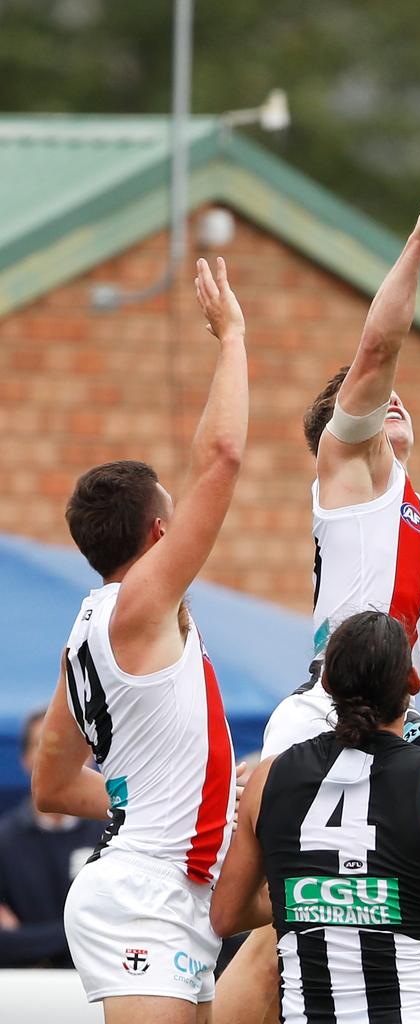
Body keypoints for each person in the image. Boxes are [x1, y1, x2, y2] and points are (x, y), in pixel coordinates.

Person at [214, 191, 420, 1024]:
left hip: (385, 714)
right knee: (281, 927)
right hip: (325, 709)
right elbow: (379, 344)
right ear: (341, 428)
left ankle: (395, 931)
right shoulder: (351, 470)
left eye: (394, 395)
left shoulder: (414, 524)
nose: (390, 397)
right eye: (368, 395)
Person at [31, 256, 248, 1024]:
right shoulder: (139, 605)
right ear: (160, 533)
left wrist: (183, 803)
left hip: (165, 884)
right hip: (144, 894)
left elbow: (52, 787)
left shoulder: (86, 635)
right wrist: (231, 339)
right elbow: (222, 457)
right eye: (175, 516)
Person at [211, 610, 420, 1024]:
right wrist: (390, 905)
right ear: (412, 685)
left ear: (326, 684)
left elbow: (226, 915)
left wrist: (317, 899)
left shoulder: (269, 777)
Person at [0, 709, 105, 968]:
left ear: (90, 757)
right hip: (30, 991)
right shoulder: (5, 840)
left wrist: (31, 938)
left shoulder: (115, 836)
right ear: (25, 759)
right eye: (43, 745)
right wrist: (84, 934)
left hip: (101, 985)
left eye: (71, 744)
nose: (57, 757)